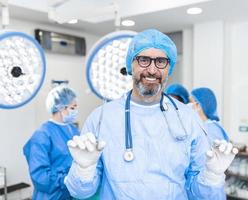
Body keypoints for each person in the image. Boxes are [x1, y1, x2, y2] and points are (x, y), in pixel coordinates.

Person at [64, 29, 237, 200]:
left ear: (169, 67)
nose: (152, 70)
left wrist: (212, 176)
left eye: (161, 61)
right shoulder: (102, 118)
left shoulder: (186, 117)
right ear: (131, 64)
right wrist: (84, 170)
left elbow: (200, 194)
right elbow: (80, 193)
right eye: (144, 60)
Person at [23, 85, 79, 200]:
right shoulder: (42, 134)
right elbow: (40, 176)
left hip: (70, 194)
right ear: (61, 108)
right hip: (51, 196)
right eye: (73, 108)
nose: (75, 111)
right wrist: (66, 179)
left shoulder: (73, 130)